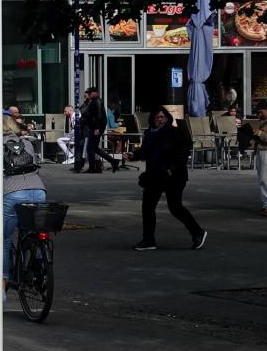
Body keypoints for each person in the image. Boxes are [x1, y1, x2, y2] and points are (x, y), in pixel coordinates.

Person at [133, 107, 206, 251]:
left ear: (167, 118)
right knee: (147, 206)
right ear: (152, 120)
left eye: (162, 117)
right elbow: (146, 152)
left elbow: (183, 153)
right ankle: (148, 240)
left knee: (175, 207)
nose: (160, 120)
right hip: (154, 175)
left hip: (173, 176)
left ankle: (198, 232)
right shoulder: (150, 133)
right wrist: (134, 155)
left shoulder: (175, 132)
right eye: (157, 117)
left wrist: (171, 168)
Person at [2, 130, 47, 294]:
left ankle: (3, 282)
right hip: (39, 190)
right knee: (30, 229)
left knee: (4, 240)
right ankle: (36, 263)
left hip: (13, 192)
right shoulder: (27, 143)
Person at [76, 89, 121, 172]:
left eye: (90, 93)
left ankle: (95, 166)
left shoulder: (97, 102)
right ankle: (111, 162)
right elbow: (87, 114)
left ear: (95, 93)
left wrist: (97, 128)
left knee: (91, 147)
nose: (88, 95)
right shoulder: (93, 102)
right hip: (94, 127)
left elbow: (99, 115)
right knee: (93, 148)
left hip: (96, 128)